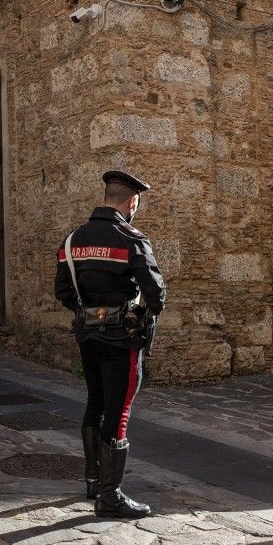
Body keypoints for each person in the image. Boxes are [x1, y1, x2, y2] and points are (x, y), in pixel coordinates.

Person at [54, 171, 165, 518]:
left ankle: (93, 480)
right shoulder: (131, 239)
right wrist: (136, 315)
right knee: (118, 412)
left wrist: (89, 312)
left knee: (95, 402)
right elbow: (157, 293)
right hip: (122, 337)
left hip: (87, 334)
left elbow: (62, 292)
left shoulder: (72, 241)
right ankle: (111, 495)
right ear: (132, 201)